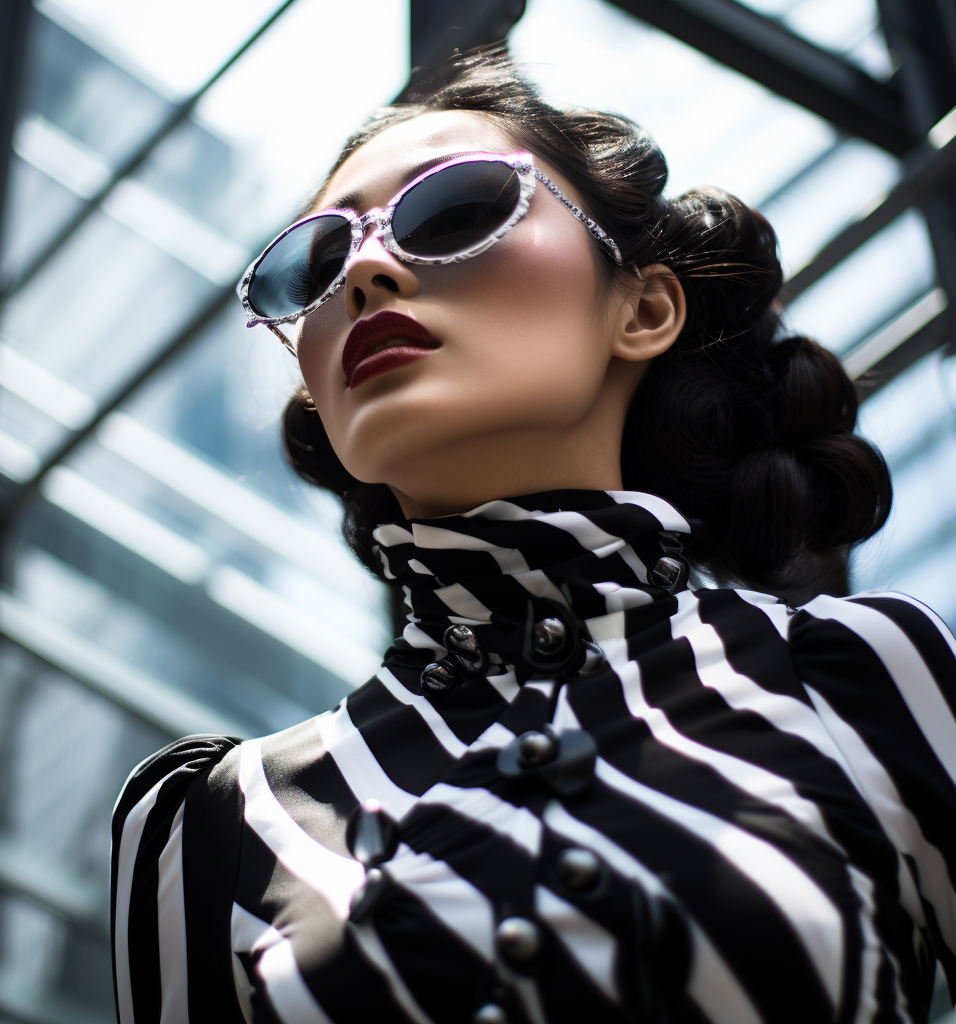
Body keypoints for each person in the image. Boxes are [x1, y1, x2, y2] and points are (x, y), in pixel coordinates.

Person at [110, 48, 956, 1024]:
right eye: (317, 259)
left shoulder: (861, 676)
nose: (368, 270)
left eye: (457, 209)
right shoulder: (208, 821)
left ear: (640, 309)